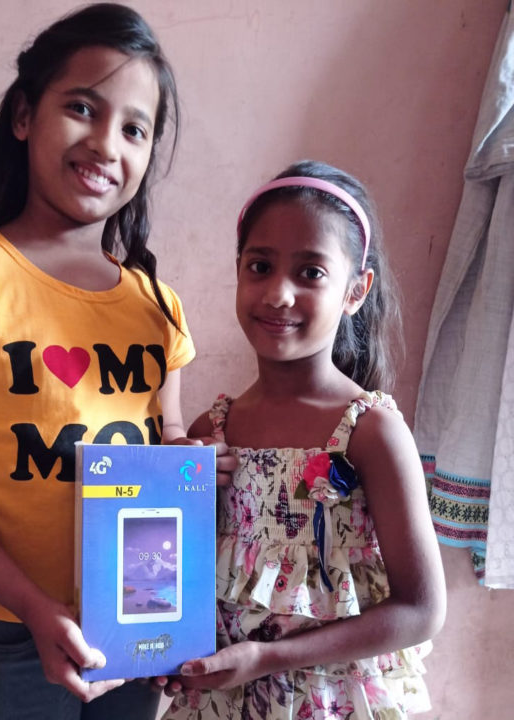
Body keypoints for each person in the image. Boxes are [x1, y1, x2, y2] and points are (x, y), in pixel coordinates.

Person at [0, 4, 222, 719]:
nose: (106, 143)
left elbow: (167, 445)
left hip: (135, 618)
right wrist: (33, 607)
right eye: (82, 108)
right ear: (25, 116)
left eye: (135, 128)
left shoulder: (158, 305)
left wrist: (195, 459)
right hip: (11, 622)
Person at [160, 160, 447, 719]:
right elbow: (174, 579)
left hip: (333, 701)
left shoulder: (370, 431)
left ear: (356, 291)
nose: (278, 294)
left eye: (311, 273)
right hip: (224, 701)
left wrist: (270, 657)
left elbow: (422, 609)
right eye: (260, 266)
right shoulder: (208, 435)